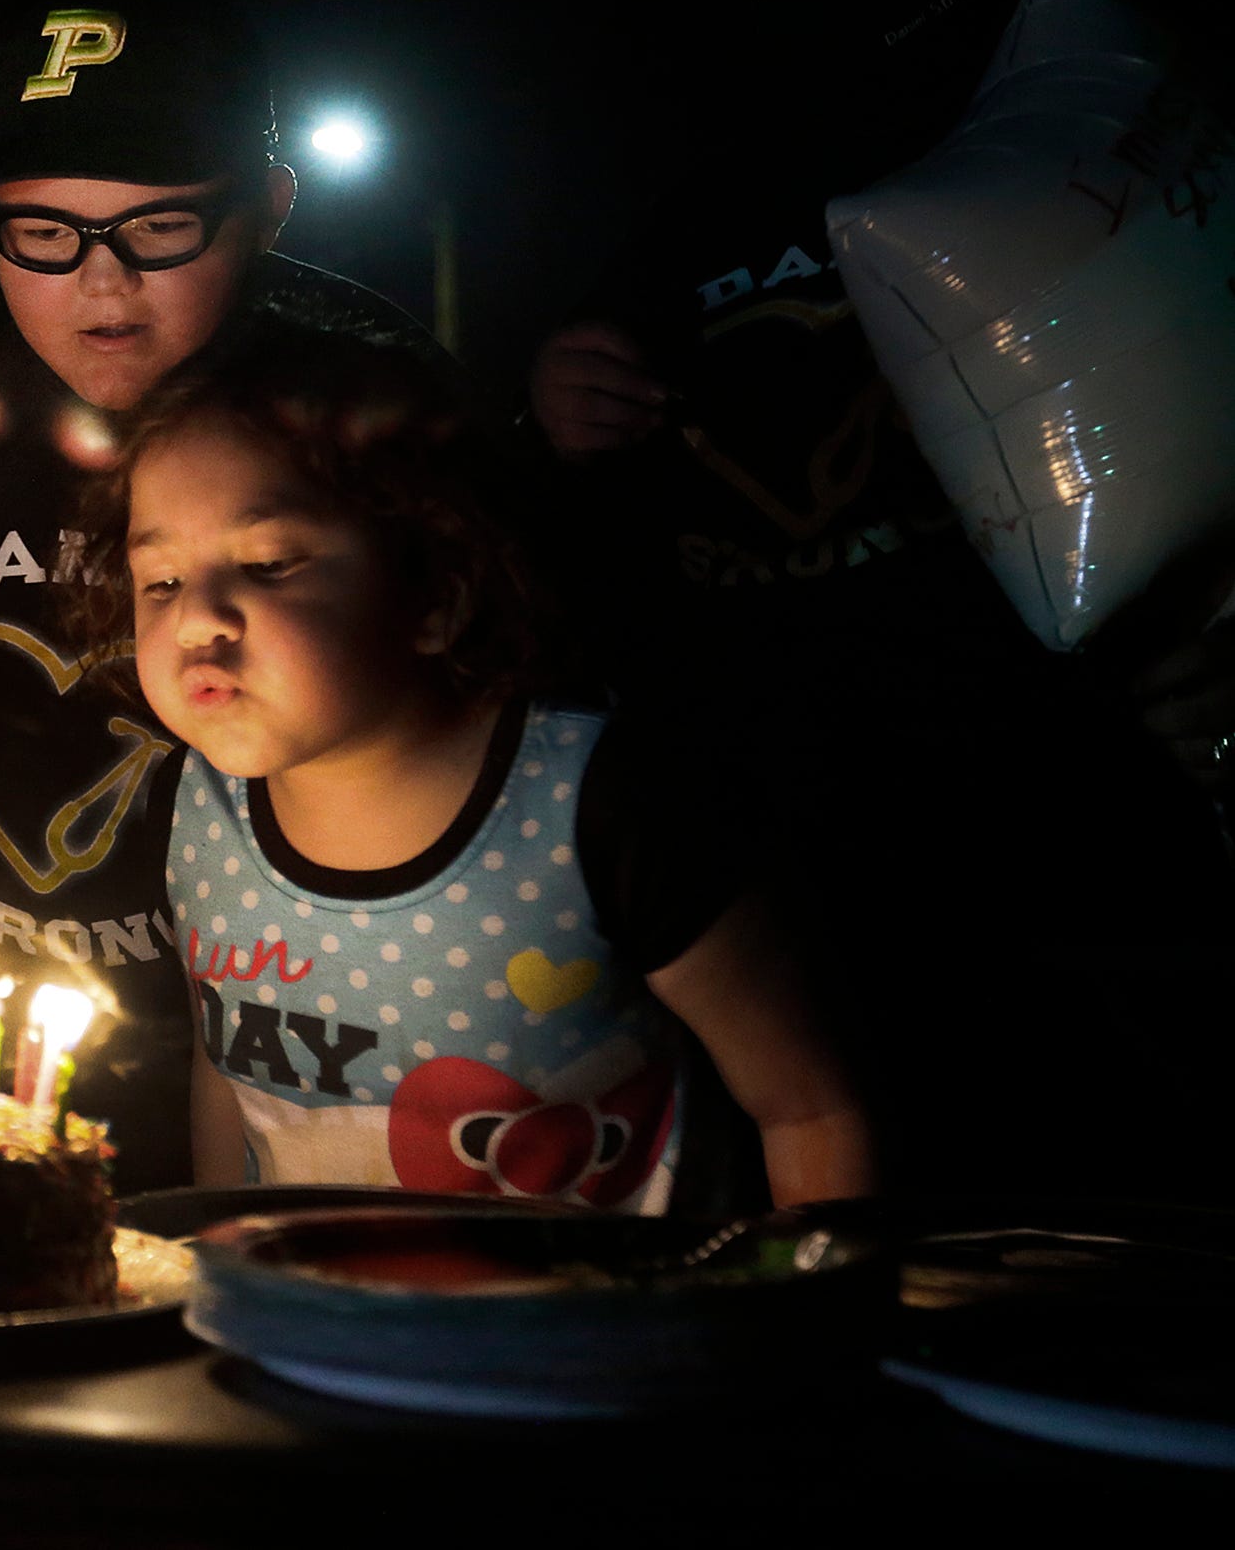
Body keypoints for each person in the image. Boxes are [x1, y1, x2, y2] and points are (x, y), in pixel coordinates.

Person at [524, 0, 1232, 1196]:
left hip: (1097, 876)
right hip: (800, 888)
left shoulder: (1124, 138)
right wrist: (556, 404)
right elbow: (583, 505)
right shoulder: (693, 194)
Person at [78, 329, 875, 1208]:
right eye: (158, 581)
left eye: (268, 564)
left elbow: (808, 1109)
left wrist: (813, 1319)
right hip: (311, 1341)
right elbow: (225, 1075)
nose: (197, 621)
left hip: (599, 1339)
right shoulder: (203, 808)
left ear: (438, 592)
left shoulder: (597, 806)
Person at [0, 0, 433, 1190]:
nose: (102, 285)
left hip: (295, 1051)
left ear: (270, 207)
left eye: (162, 229)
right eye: (47, 233)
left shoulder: (373, 403)